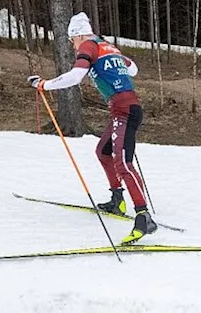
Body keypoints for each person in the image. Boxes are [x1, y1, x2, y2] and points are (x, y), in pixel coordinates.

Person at [29, 12, 156, 244]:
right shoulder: (107, 46)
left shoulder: (88, 46)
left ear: (77, 35)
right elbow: (133, 68)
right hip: (125, 108)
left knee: (123, 163)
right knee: (103, 152)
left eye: (71, 40)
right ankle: (117, 200)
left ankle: (143, 216)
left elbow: (77, 76)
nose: (73, 45)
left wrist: (45, 85)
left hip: (124, 110)